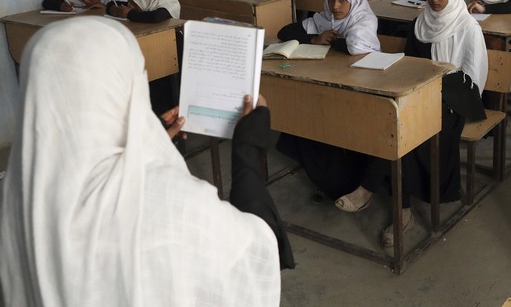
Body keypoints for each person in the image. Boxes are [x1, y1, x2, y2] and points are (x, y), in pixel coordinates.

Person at [0, 17, 293, 306]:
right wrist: (248, 144)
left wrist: (150, 144)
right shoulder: (167, 202)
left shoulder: (16, 190)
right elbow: (256, 247)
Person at [334, 0, 487, 247]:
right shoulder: (420, 24)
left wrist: (440, 79)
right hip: (420, 92)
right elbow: (409, 66)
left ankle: (370, 189)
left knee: (404, 125)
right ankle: (402, 210)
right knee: (392, 119)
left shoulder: (468, 28)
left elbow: (474, 81)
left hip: (454, 100)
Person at [275, 0, 380, 199]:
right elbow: (285, 32)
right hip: (333, 79)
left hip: (363, 84)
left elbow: (356, 45)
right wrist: (314, 39)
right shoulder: (325, 19)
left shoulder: (364, 19)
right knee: (307, 115)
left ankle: (355, 178)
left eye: (342, 0)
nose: (335, 6)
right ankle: (329, 177)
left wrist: (333, 40)